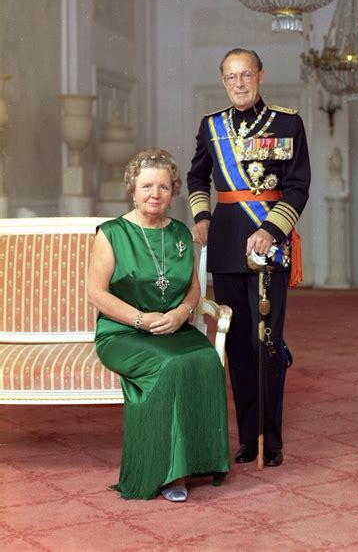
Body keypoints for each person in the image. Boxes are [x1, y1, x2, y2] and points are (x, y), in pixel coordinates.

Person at [187, 48, 311, 467]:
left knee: (268, 345)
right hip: (225, 247)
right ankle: (246, 439)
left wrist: (270, 229)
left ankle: (271, 442)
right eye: (230, 77)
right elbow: (196, 176)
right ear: (223, 81)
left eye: (246, 75)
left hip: (269, 248)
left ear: (260, 75)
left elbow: (297, 187)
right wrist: (202, 215)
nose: (239, 84)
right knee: (237, 345)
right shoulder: (211, 126)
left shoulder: (288, 122)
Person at [88, 148, 229, 501]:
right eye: (147, 186)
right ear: (132, 189)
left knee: (205, 359)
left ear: (173, 190)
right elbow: (96, 294)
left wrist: (182, 313)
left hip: (173, 328)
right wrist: (140, 319)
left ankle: (201, 460)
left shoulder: (181, 233)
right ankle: (170, 473)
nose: (155, 194)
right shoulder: (112, 233)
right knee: (169, 365)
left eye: (163, 187)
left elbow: (194, 287)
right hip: (123, 334)